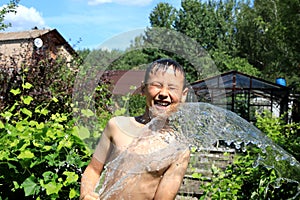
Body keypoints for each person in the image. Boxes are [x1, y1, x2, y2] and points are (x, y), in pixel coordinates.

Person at [80, 58, 190, 200]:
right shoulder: (117, 127)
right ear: (143, 89)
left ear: (183, 95)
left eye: (172, 88)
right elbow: (93, 170)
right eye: (156, 85)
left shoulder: (178, 149)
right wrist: (86, 194)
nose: (163, 93)